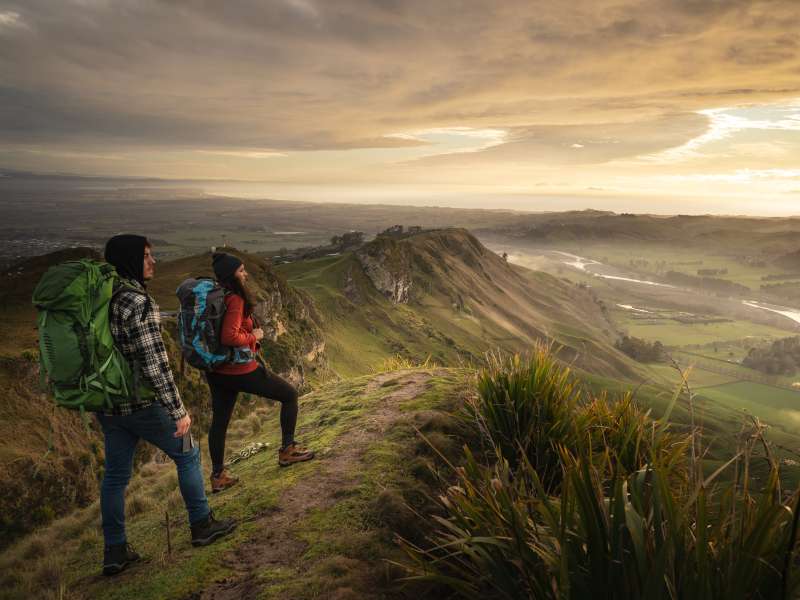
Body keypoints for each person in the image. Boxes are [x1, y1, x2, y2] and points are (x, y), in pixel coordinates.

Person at [98, 235, 235, 576]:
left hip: (108, 403)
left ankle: (114, 551)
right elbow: (154, 363)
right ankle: (201, 524)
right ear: (131, 259)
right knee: (188, 453)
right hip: (143, 403)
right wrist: (178, 409)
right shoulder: (135, 301)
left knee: (115, 477)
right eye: (146, 256)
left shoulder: (101, 297)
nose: (153, 262)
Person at [205, 252, 314, 493]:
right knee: (289, 395)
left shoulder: (216, 295)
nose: (245, 274)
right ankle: (288, 450)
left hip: (216, 370)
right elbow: (229, 336)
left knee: (220, 422)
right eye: (241, 270)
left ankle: (218, 476)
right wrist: (253, 336)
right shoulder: (234, 299)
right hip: (239, 369)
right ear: (232, 274)